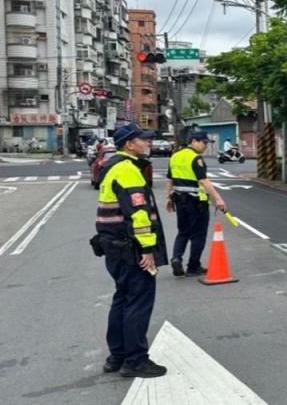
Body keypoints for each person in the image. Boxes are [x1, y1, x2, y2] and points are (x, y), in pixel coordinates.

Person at [94, 122, 168, 378]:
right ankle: (136, 360)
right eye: (143, 139)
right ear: (129, 144)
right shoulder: (127, 170)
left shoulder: (111, 168)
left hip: (113, 248)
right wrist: (147, 250)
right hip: (131, 250)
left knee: (122, 300)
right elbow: (138, 214)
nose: (148, 142)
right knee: (138, 302)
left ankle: (118, 355)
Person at [165, 131, 227, 277]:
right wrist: (218, 198)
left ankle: (176, 257)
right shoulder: (195, 158)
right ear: (194, 141)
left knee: (183, 232)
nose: (205, 146)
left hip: (179, 200)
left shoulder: (175, 156)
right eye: (204, 142)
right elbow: (203, 181)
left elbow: (169, 179)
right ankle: (193, 266)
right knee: (198, 234)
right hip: (196, 202)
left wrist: (168, 197)